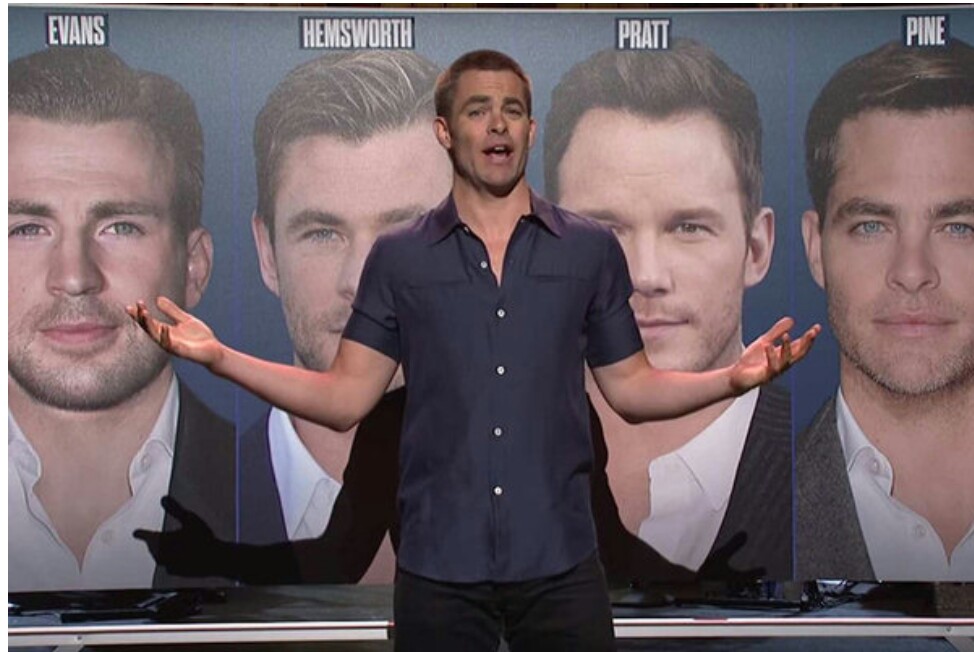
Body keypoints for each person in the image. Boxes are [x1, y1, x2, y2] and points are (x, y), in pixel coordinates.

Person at [131, 50, 817, 652]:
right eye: (477, 111)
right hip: (439, 581)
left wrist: (733, 379)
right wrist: (218, 356)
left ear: (530, 130)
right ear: (444, 132)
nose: (496, 125)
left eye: (511, 110)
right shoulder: (399, 260)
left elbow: (633, 391)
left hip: (563, 577)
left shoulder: (587, 251)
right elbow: (344, 398)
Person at [544, 40, 790, 583]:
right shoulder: (483, 452)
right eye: (604, 231)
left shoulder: (823, 463)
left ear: (756, 249)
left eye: (688, 227)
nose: (644, 275)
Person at [8, 47, 233, 591]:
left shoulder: (273, 490)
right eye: (27, 229)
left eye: (120, 227)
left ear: (194, 266)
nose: (74, 277)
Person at [240, 50, 452, 583]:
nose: (360, 281)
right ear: (267, 253)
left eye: (405, 234)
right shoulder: (184, 493)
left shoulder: (553, 489)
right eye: (322, 233)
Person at [797, 39, 974, 581]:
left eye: (958, 227)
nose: (913, 272)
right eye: (872, 225)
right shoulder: (732, 516)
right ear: (815, 249)